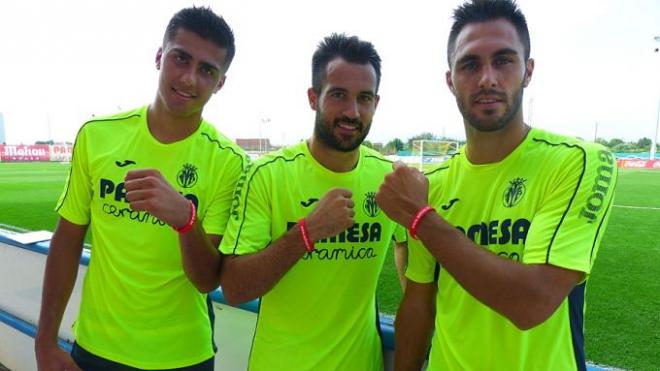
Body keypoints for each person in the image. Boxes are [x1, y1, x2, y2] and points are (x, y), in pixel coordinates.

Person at [375, 0, 618, 370]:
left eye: (503, 60)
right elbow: (419, 303)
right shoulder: (433, 186)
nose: (487, 78)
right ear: (450, 79)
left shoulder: (579, 161)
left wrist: (421, 217)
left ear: (528, 71)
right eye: (470, 64)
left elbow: (532, 301)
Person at [35, 6, 247, 371]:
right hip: (96, 348)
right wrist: (45, 341)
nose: (190, 78)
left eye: (207, 70)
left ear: (220, 83)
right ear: (159, 57)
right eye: (181, 59)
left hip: (183, 356)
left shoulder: (230, 161)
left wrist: (185, 219)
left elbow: (206, 279)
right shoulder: (97, 136)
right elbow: (67, 239)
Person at [218, 33, 406, 371]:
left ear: (376, 103)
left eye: (364, 98)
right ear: (312, 97)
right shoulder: (267, 175)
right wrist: (307, 233)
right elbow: (233, 288)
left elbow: (413, 264)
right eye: (338, 95)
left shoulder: (389, 178)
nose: (352, 111)